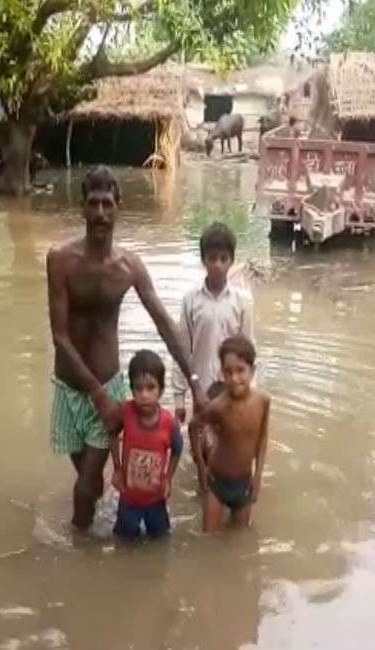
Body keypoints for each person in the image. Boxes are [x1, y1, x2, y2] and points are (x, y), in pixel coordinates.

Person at [46, 165, 205, 531]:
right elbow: (60, 338)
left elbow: (165, 322)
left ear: (119, 206)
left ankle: (80, 550)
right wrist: (95, 394)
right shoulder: (60, 260)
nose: (100, 213)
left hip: (111, 385)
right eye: (93, 204)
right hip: (71, 388)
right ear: (83, 208)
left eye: (107, 204)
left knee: (84, 488)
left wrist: (195, 382)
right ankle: (115, 512)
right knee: (94, 483)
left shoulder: (129, 267)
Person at [171, 221, 253, 491]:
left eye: (223, 258)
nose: (217, 264)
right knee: (202, 447)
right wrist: (179, 396)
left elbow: (250, 350)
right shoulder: (191, 300)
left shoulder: (241, 301)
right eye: (212, 258)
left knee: (232, 446)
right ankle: (203, 491)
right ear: (203, 260)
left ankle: (228, 494)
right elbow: (182, 348)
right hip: (202, 387)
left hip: (234, 389)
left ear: (231, 261)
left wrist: (250, 391)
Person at [194, 334, 270, 532]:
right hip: (216, 483)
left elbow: (263, 438)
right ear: (222, 374)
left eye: (240, 370)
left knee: (241, 539)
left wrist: (258, 475)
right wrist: (201, 468)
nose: (234, 378)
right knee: (209, 540)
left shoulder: (263, 401)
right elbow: (194, 427)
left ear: (253, 371)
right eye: (228, 372)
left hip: (244, 483)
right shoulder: (218, 406)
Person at [110, 350, 183, 539]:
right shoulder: (125, 412)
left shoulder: (169, 423)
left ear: (161, 390)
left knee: (160, 541)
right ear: (131, 389)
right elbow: (111, 434)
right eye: (138, 388)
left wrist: (168, 478)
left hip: (156, 501)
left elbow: (177, 449)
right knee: (124, 543)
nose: (144, 395)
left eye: (151, 388)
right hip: (128, 500)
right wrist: (117, 468)